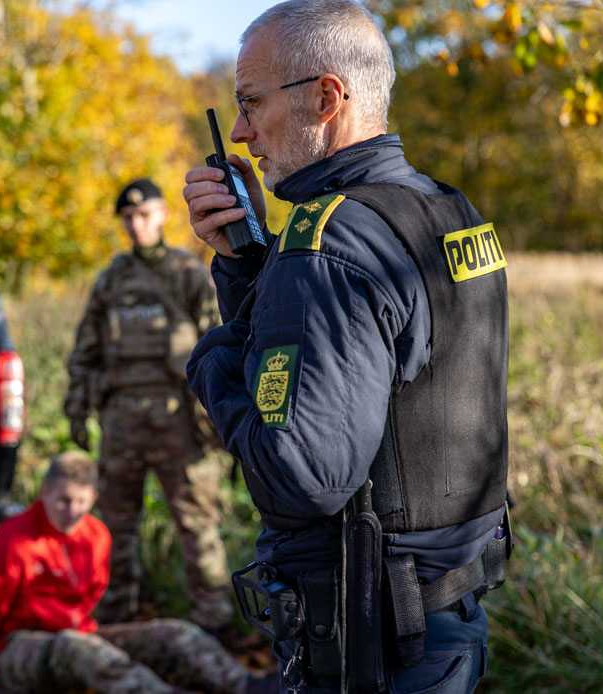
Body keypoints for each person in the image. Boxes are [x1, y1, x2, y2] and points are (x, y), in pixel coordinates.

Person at [182, 1, 510, 692]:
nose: (241, 134)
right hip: (452, 622)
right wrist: (247, 266)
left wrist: (210, 361)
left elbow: (303, 476)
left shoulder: (330, 244)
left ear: (327, 97)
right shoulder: (447, 210)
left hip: (371, 644)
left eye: (250, 102)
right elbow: (378, 375)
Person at [63, 178, 234, 634]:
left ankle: (213, 625)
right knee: (114, 527)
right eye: (127, 218)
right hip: (121, 421)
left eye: (144, 215)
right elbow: (86, 351)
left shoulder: (187, 274)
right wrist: (77, 410)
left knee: (197, 525)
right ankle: (117, 618)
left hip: (178, 421)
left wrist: (224, 416)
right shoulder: (112, 280)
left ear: (161, 215)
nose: (136, 224)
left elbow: (220, 345)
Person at [0, 451, 264, 694]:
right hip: (19, 647)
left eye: (81, 502)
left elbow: (93, 591)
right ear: (44, 492)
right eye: (64, 500)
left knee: (175, 633)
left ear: (94, 497)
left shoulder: (96, 535)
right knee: (79, 650)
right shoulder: (11, 542)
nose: (72, 511)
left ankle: (246, 685)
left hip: (79, 635)